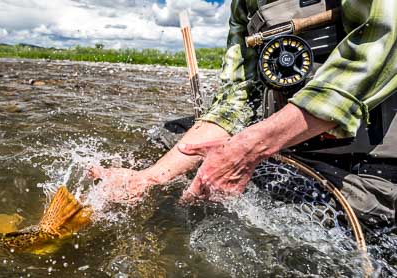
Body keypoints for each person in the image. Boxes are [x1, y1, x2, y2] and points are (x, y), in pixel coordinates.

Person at [89, 0, 397, 226]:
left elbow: (382, 46)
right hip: (288, 153)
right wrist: (149, 179)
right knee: (167, 138)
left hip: (366, 173)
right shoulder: (245, 4)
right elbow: (236, 100)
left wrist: (251, 146)